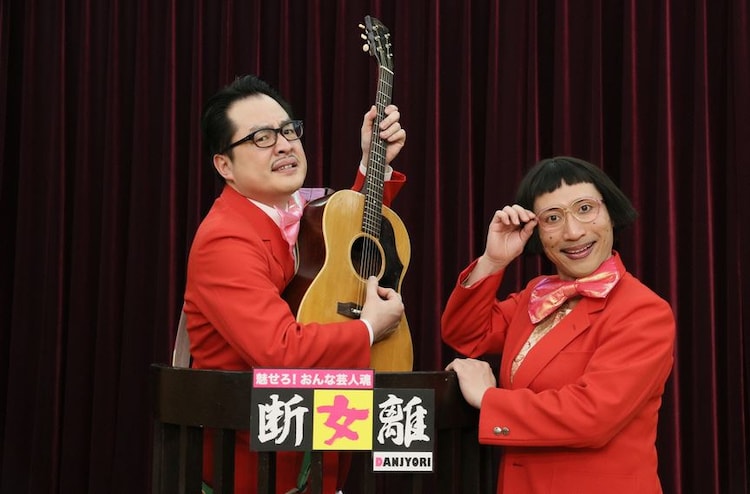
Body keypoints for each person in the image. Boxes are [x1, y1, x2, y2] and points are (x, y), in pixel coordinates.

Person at [183, 74, 407, 494]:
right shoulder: (225, 238)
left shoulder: (294, 211)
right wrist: (369, 328)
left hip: (320, 437)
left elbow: (337, 246)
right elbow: (280, 350)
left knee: (414, 427)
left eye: (288, 131)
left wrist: (373, 164)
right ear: (224, 166)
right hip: (259, 463)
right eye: (261, 138)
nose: (284, 145)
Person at [442, 156, 675, 494]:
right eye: (552, 218)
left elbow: (592, 416)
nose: (573, 232)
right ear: (536, 231)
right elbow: (467, 334)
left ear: (611, 213)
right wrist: (493, 261)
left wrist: (488, 398)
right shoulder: (536, 294)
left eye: (585, 209)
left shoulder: (643, 311)